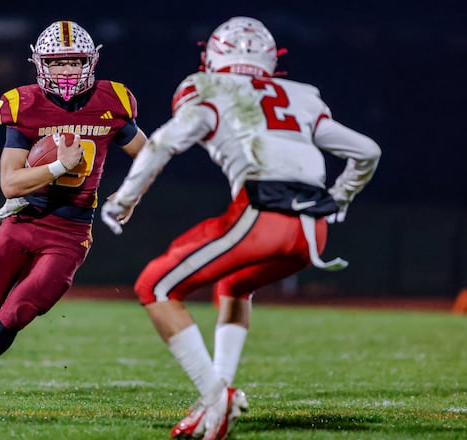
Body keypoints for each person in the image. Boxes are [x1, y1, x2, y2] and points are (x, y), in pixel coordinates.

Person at [100, 16, 381, 440]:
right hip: (313, 230)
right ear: (269, 59)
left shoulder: (206, 87)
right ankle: (215, 407)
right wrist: (340, 199)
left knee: (155, 286)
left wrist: (126, 198)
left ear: (213, 55)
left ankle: (216, 396)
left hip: (263, 214)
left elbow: (161, 143)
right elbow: (367, 151)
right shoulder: (301, 96)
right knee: (233, 285)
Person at [0, 20, 147, 398]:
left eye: (74, 61)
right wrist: (60, 166)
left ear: (91, 62)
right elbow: (9, 184)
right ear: (40, 64)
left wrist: (132, 195)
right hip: (22, 222)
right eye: (58, 63)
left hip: (70, 233)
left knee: (18, 311)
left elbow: (147, 154)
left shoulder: (113, 102)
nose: (68, 71)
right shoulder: (24, 105)